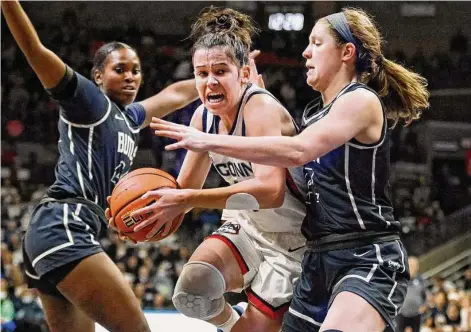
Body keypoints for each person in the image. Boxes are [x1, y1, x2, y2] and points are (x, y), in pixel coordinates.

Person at [152, 7, 430, 332]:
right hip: (317, 255)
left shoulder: (360, 100)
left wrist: (210, 140)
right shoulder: (313, 114)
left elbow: (297, 152)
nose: (305, 51)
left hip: (365, 251)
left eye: (316, 42)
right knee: (198, 291)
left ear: (346, 52)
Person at [1, 1, 199, 331]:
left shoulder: (131, 117)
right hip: (64, 226)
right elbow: (34, 49)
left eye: (135, 70)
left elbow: (176, 94)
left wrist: (226, 76)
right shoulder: (88, 100)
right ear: (97, 76)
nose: (130, 76)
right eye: (119, 69)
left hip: (62, 231)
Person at [123, 7, 308, 332]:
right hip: (248, 225)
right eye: (201, 73)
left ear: (244, 74)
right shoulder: (202, 118)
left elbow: (270, 191)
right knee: (192, 291)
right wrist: (139, 214)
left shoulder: (259, 106)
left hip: (293, 239)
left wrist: (189, 198)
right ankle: (234, 322)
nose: (210, 81)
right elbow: (181, 194)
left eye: (220, 71)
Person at [396, 257, 428, 332]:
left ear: (417, 267)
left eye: (414, 266)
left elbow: (425, 295)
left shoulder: (421, 280)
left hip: (417, 314)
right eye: (410, 265)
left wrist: (424, 305)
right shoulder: (400, 280)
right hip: (402, 313)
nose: (412, 268)